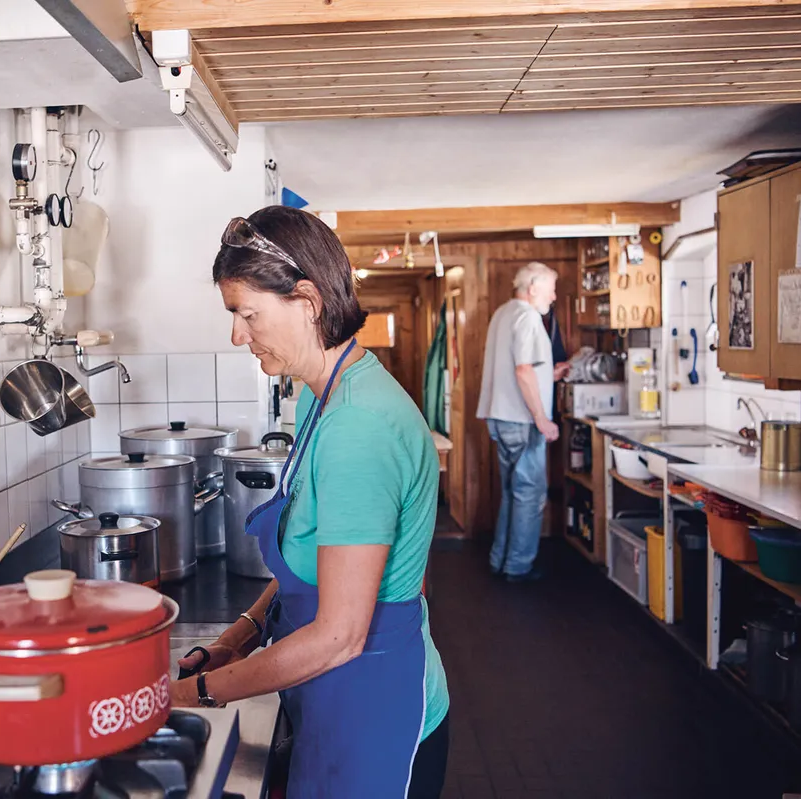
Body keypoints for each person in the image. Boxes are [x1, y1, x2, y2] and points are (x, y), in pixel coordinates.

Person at [170, 206, 450, 798]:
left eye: (248, 314)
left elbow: (339, 636)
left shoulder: (357, 426)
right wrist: (239, 637)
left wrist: (192, 694)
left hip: (377, 706)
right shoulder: (321, 398)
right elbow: (318, 558)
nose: (237, 335)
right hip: (335, 694)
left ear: (308, 301)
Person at [476, 262, 569, 582]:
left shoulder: (503, 313)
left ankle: (500, 559)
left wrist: (551, 374)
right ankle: (518, 566)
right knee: (529, 494)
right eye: (551, 290)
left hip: (500, 417)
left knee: (512, 492)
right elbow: (523, 371)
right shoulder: (528, 317)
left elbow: (519, 368)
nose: (553, 297)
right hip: (522, 420)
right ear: (533, 289)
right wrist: (542, 419)